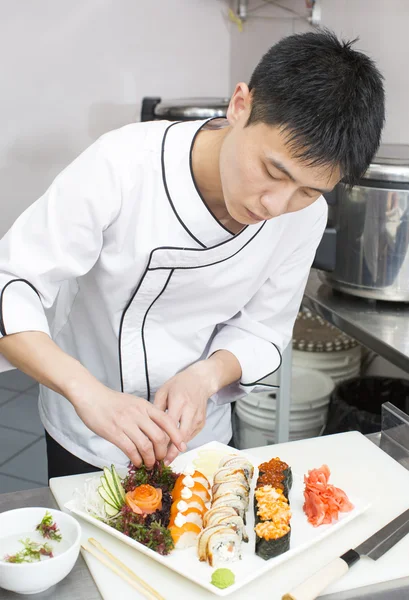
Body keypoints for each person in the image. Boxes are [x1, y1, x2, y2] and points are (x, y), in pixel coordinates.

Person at [0, 30, 384, 478]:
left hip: (199, 438)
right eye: (271, 172)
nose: (274, 205)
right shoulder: (123, 165)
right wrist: (87, 392)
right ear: (240, 106)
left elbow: (264, 329)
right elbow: (12, 284)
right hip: (89, 429)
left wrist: (205, 378)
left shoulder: (305, 217)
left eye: (308, 191)